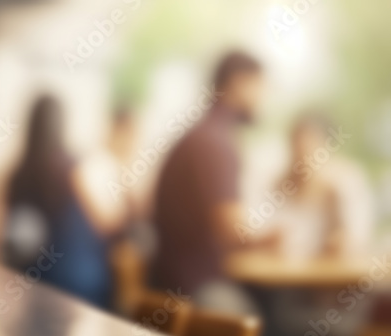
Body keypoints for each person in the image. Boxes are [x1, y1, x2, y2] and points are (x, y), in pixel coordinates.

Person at [149, 51, 265, 313]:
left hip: (170, 277)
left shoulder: (201, 133)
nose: (263, 97)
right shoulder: (216, 143)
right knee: (256, 324)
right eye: (260, 86)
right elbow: (231, 228)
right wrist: (268, 240)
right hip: (190, 286)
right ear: (238, 82)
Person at [4, 96, 126, 309]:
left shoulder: (16, 176)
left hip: (31, 283)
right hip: (80, 284)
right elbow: (108, 225)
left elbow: (8, 234)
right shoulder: (75, 169)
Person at [272, 114, 374, 259]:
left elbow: (355, 240)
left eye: (310, 142)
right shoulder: (280, 183)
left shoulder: (345, 179)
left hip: (330, 275)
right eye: (296, 143)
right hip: (285, 272)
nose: (302, 151)